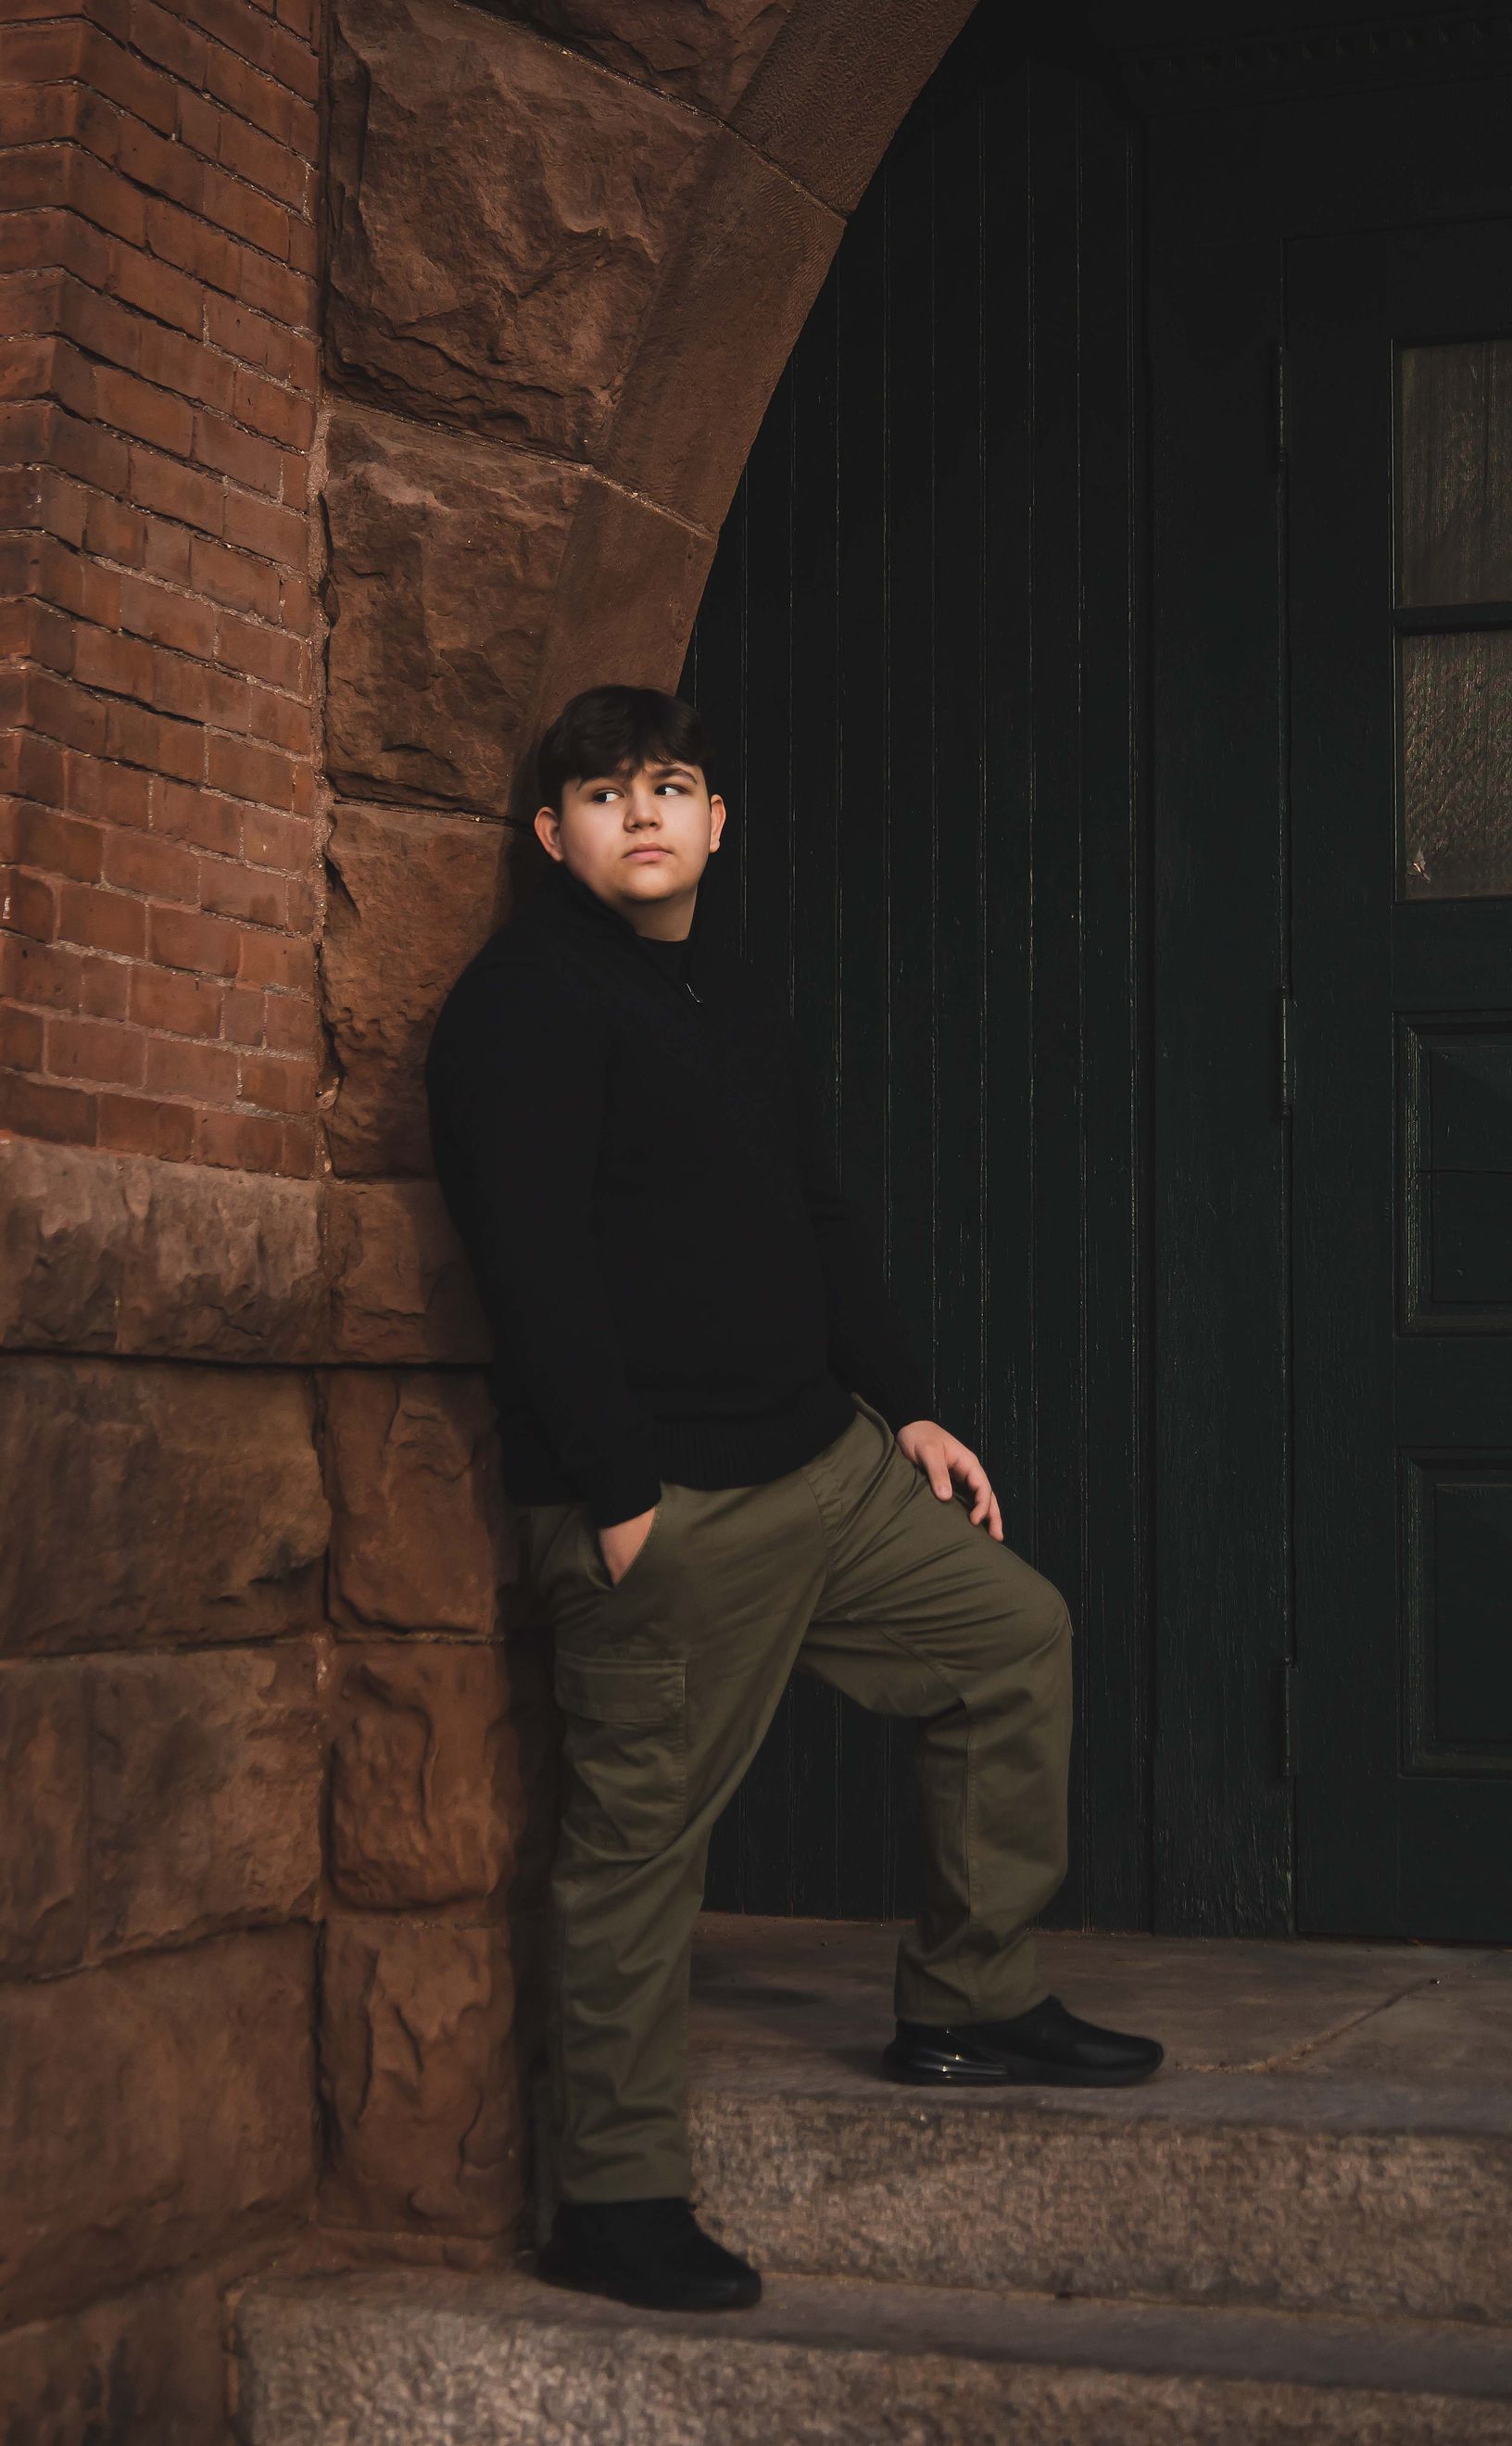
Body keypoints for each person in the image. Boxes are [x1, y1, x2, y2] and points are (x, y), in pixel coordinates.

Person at [422, 684, 1162, 2315]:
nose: (644, 816)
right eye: (606, 796)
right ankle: (612, 2205)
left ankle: (968, 2002)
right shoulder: (521, 1007)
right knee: (636, 1854)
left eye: (671, 788)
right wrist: (617, 1492)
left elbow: (814, 1209)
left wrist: (905, 1406)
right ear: (553, 835)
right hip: (665, 1504)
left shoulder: (725, 992)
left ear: (714, 822)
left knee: (1011, 1637)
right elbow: (527, 1262)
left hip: (820, 1466)